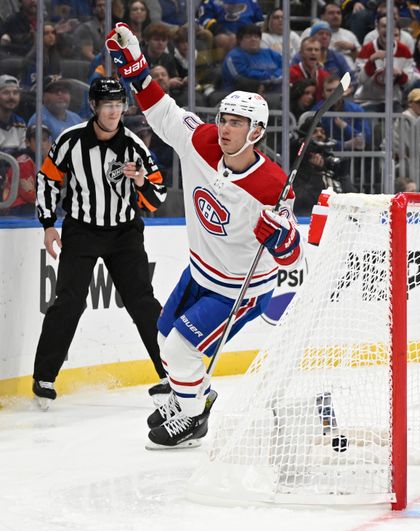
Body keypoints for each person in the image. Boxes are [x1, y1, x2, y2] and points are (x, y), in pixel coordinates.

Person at [106, 22, 305, 448]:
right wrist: (136, 65)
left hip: (241, 290)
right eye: (225, 119)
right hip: (200, 273)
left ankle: (194, 418)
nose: (227, 128)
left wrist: (280, 237)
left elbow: (293, 258)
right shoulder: (202, 141)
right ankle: (194, 395)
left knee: (181, 352)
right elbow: (163, 112)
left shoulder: (272, 186)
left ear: (256, 132)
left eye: (238, 123)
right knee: (164, 340)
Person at [31, 77, 168, 411]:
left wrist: (140, 182)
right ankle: (44, 377)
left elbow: (158, 194)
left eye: (119, 104)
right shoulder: (70, 141)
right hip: (82, 231)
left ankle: (172, 374)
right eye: (107, 104)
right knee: (68, 301)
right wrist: (49, 224)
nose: (114, 111)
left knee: (143, 302)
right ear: (93, 106)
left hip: (124, 233)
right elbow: (48, 179)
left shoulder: (134, 144)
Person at [354, 15, 415, 110]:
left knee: (399, 121)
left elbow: (409, 84)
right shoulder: (366, 49)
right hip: (367, 101)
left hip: (393, 102)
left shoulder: (404, 51)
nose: (387, 29)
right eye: (384, 26)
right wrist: (371, 62)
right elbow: (360, 80)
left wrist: (401, 74)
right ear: (377, 28)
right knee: (367, 122)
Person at [2, 124, 51, 216]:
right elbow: (30, 195)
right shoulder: (23, 163)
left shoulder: (45, 161)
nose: (41, 144)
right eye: (37, 140)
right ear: (27, 142)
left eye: (44, 140)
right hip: (17, 209)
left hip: (31, 206)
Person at [221, 24, 283, 94]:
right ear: (240, 40)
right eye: (248, 37)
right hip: (242, 94)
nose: (253, 39)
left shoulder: (270, 53)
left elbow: (285, 67)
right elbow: (241, 76)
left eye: (256, 37)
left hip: (276, 90)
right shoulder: (234, 56)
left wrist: (274, 77)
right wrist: (270, 77)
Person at [301, 2, 360, 70]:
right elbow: (301, 55)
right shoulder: (309, 32)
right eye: (331, 13)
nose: (335, 16)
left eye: (338, 13)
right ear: (322, 16)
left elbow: (360, 61)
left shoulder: (349, 35)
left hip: (347, 73)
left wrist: (353, 48)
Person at [290, 36, 330, 101]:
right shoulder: (291, 73)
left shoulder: (325, 76)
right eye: (309, 49)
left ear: (320, 54)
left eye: (316, 50)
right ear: (301, 53)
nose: (313, 53)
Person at [0, 75, 26, 153]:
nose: (11, 97)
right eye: (6, 93)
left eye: (15, 93)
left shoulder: (20, 123)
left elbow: (22, 156)